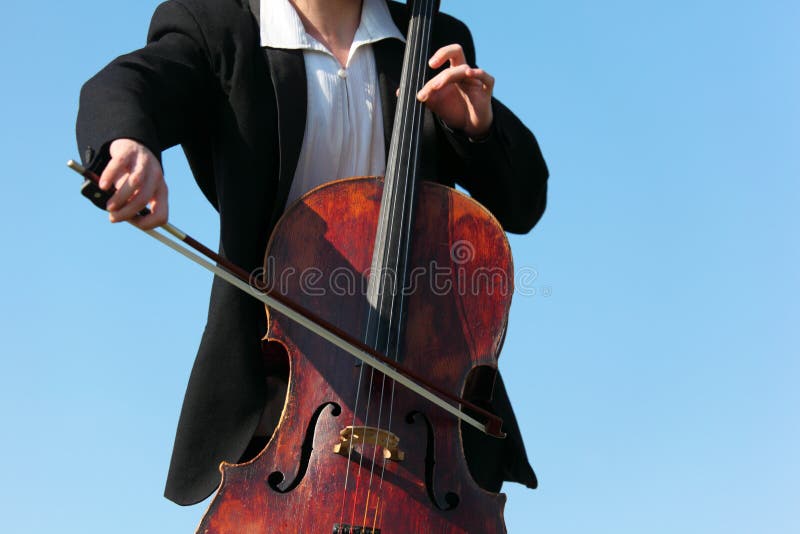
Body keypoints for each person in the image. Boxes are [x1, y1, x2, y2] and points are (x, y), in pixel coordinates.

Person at [76, 0, 549, 506]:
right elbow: (132, 82)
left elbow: (522, 205)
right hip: (280, 395)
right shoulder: (222, 27)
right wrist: (128, 141)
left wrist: (476, 130)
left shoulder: (428, 38)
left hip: (416, 413)